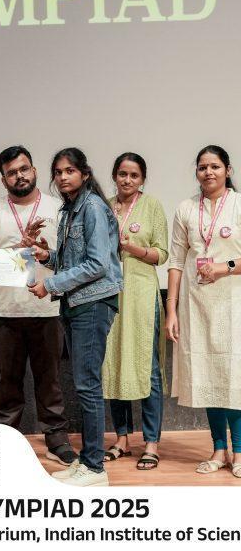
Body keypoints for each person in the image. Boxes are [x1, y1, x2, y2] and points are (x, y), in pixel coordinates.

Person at [0, 145, 76, 466]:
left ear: (34, 170)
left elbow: (72, 259)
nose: (19, 176)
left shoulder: (58, 207)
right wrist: (21, 248)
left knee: (50, 381)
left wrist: (44, 253)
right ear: (3, 180)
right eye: (11, 173)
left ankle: (56, 438)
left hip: (48, 309)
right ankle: (6, 441)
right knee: (8, 383)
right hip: (5, 312)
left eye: (24, 169)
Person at [28, 148, 122, 487]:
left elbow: (97, 264)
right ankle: (87, 459)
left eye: (69, 170)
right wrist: (46, 256)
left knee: (88, 386)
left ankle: (95, 468)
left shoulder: (92, 206)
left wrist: (50, 284)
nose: (63, 176)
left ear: (84, 173)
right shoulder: (70, 209)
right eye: (58, 172)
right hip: (76, 303)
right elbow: (74, 261)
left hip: (93, 303)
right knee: (84, 385)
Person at [166, 145, 241, 476]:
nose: (208, 172)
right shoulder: (185, 208)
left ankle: (239, 452)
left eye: (215, 166)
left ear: (228, 170)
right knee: (208, 376)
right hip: (195, 304)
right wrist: (171, 310)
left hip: (233, 303)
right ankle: (218, 450)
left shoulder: (238, 205)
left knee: (233, 377)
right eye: (202, 167)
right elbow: (175, 261)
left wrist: (224, 267)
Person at [102, 153, 168, 470]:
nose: (127, 180)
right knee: (113, 364)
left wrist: (131, 247)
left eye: (134, 175)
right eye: (122, 174)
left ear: (142, 179)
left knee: (147, 368)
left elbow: (161, 254)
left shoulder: (152, 206)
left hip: (141, 296)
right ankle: (122, 439)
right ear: (114, 176)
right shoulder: (104, 207)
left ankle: (151, 442)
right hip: (109, 295)